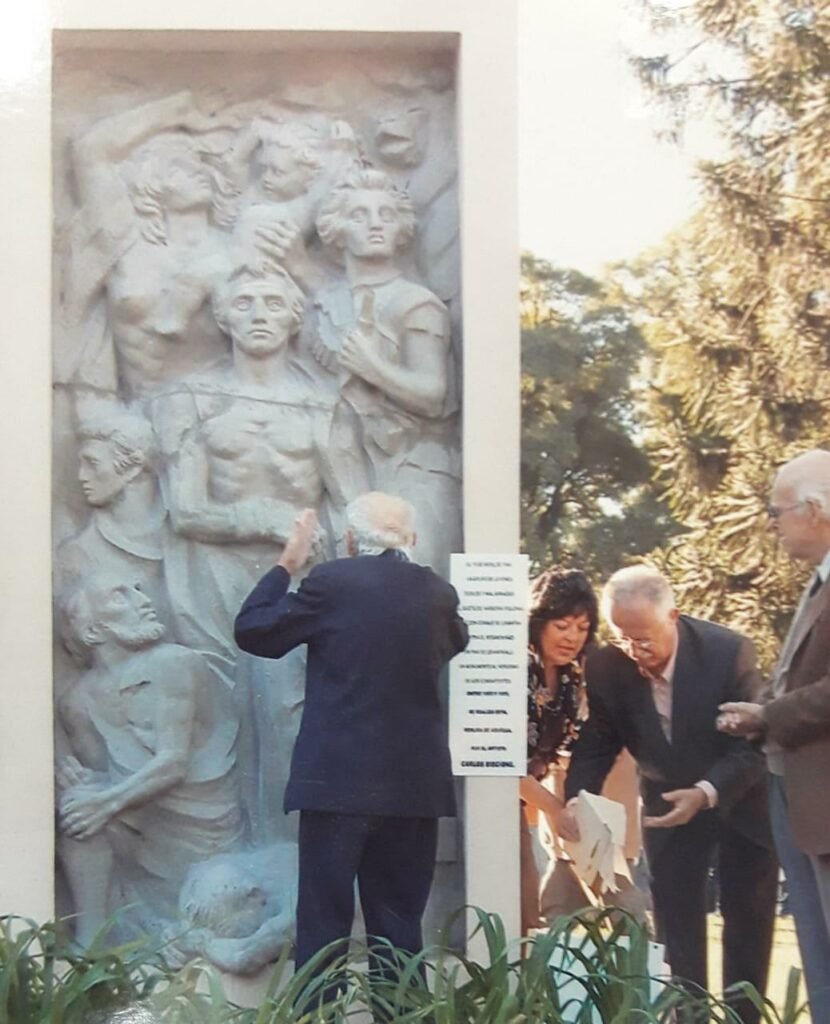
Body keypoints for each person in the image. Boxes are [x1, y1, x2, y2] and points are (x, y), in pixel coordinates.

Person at [233, 492, 468, 985]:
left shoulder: (331, 582)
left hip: (337, 783)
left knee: (323, 927)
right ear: (412, 541)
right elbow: (457, 638)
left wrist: (287, 564)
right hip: (412, 790)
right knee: (399, 932)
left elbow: (254, 630)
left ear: (347, 541)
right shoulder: (438, 594)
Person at [560, 565, 777, 1024]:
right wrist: (578, 795)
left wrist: (707, 791)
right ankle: (688, 1016)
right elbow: (598, 739)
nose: (635, 651)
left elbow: (755, 744)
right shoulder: (606, 665)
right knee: (676, 924)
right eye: (623, 637)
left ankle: (743, 1018)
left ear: (673, 616)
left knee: (747, 921)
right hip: (665, 803)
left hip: (739, 798)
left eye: (644, 638)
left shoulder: (727, 651)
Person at [56, 576, 242, 946]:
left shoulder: (175, 663)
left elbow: (173, 764)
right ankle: (91, 944)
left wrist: (103, 800)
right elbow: (108, 775)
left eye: (138, 590)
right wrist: (75, 778)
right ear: (92, 631)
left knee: (90, 806)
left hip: (201, 827)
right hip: (142, 819)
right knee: (78, 808)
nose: (142, 600)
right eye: (119, 593)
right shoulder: (77, 701)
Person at [718, 449, 830, 1022]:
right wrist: (760, 711)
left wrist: (771, 716)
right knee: (817, 953)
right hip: (796, 791)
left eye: (777, 511)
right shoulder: (818, 582)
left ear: (814, 510)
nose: (772, 523)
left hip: (823, 795)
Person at [519, 567, 597, 932]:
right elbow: (506, 766)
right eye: (562, 626)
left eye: (582, 629)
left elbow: (561, 757)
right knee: (520, 904)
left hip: (526, 799)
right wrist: (554, 809)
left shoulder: (571, 677)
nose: (572, 638)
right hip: (488, 796)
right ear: (540, 621)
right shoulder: (516, 667)